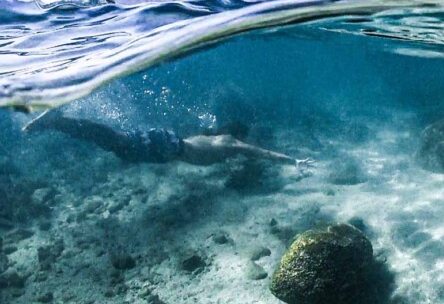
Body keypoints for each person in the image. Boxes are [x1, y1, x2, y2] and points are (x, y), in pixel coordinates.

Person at [23, 110, 313, 169]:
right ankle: (57, 121)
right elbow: (261, 152)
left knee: (116, 145)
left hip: (168, 144)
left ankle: (58, 123)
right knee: (115, 141)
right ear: (238, 135)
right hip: (168, 147)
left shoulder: (215, 138)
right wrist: (292, 161)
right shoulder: (230, 144)